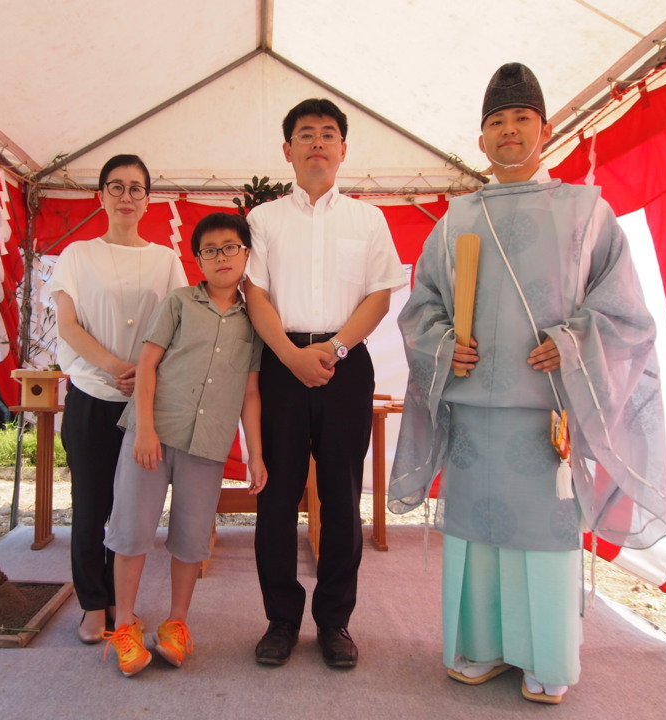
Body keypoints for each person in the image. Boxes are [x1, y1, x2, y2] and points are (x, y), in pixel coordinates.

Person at [388, 63, 666, 704]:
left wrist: (572, 344)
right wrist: (440, 344)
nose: (509, 131)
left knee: (542, 540)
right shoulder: (455, 220)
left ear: (545, 129)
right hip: (471, 418)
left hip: (546, 418)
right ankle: (480, 648)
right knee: (476, 536)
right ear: (480, 141)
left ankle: (546, 659)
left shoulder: (585, 212)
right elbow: (421, 306)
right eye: (496, 122)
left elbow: (625, 313)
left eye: (521, 119)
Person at [244, 98, 407, 668]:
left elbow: (380, 295)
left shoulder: (369, 220)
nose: (318, 142)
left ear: (343, 149)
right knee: (276, 498)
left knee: (340, 498)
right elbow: (254, 294)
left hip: (345, 366)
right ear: (286, 150)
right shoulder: (263, 220)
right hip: (282, 364)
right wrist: (290, 355)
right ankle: (281, 621)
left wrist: (334, 349)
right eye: (306, 134)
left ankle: (335, 623)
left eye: (328, 134)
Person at [102, 212, 267, 677]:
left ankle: (177, 624)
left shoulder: (255, 320)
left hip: (209, 443)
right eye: (210, 250)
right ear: (197, 259)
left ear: (246, 253)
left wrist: (255, 454)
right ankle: (126, 625)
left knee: (192, 539)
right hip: (152, 434)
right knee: (132, 531)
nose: (221, 257)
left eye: (230, 247)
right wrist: (147, 430)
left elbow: (250, 392)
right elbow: (148, 364)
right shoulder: (178, 302)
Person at [50, 154, 187, 645]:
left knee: (131, 510)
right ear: (101, 196)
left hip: (145, 404)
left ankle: (121, 603)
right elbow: (68, 326)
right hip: (92, 394)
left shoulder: (165, 259)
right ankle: (93, 604)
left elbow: (178, 326)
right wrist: (114, 367)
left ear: (148, 199)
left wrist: (147, 376)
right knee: (90, 505)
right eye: (116, 187)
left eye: (136, 188)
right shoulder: (76, 256)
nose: (126, 196)